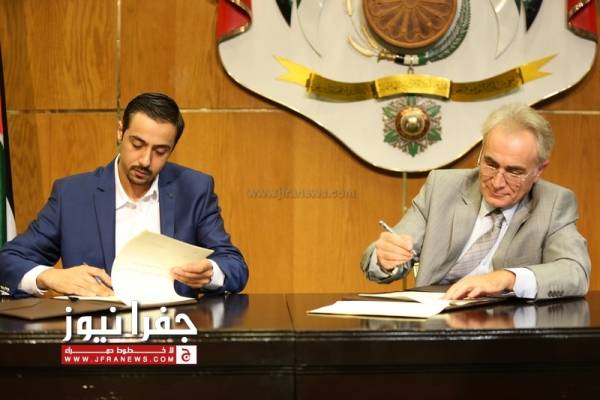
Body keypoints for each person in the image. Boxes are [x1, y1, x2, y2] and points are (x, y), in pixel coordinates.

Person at [0, 92, 248, 298]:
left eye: (160, 151)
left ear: (172, 148)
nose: (145, 161)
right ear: (120, 132)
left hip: (171, 331)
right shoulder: (73, 195)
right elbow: (8, 260)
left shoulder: (194, 190)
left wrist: (210, 273)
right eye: (137, 144)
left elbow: (234, 265)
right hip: (95, 332)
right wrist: (50, 276)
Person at [361, 103, 590, 300]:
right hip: (435, 317)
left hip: (508, 326)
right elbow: (378, 260)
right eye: (490, 164)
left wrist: (507, 277)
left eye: (514, 172)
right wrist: (384, 258)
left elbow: (575, 272)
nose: (497, 182)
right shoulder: (442, 187)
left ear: (539, 170)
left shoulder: (553, 203)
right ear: (481, 153)